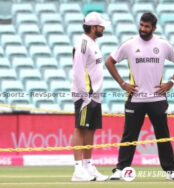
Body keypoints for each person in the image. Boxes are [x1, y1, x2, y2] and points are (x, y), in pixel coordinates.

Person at [105, 12, 174, 180]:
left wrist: (170, 83)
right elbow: (109, 61)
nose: (143, 29)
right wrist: (122, 84)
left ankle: (171, 171)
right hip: (136, 99)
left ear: (154, 28)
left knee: (163, 135)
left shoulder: (163, 44)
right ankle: (120, 169)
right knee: (129, 136)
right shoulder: (129, 44)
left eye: (146, 26)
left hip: (157, 99)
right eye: (141, 25)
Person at [70, 11, 110, 182]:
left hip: (95, 95)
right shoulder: (83, 44)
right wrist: (84, 94)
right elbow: (78, 71)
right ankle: (78, 169)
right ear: (93, 27)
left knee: (90, 129)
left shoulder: (92, 43)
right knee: (80, 127)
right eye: (101, 26)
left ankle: (88, 165)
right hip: (85, 94)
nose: (103, 28)